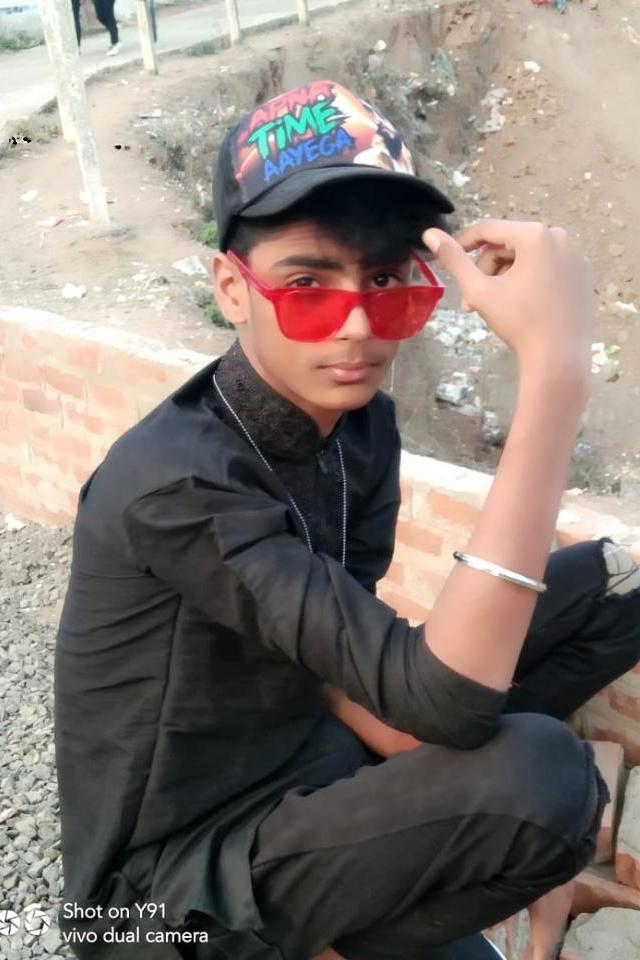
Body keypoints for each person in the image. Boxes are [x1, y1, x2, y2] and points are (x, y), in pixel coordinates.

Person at [54, 80, 640, 960]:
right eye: (308, 284)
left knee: (609, 583)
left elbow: (362, 657)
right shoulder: (176, 483)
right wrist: (554, 374)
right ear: (232, 288)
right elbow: (444, 697)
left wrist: (417, 739)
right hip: (166, 890)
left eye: (386, 281)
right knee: (545, 779)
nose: (359, 325)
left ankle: (430, 858)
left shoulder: (361, 428)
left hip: (306, 757)